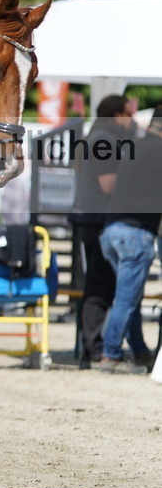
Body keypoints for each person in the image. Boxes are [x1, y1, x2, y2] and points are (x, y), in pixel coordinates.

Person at [69, 95, 136, 368]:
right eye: (128, 114)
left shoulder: (100, 136)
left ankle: (93, 346)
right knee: (99, 285)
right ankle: (94, 347)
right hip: (98, 220)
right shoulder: (104, 140)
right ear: (116, 115)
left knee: (100, 284)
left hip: (94, 218)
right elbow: (109, 185)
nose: (131, 119)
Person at [97, 106, 162, 374]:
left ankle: (140, 351)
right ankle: (110, 353)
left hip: (112, 230)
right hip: (135, 233)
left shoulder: (135, 146)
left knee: (129, 296)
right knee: (127, 298)